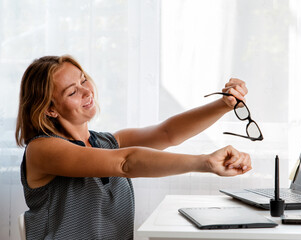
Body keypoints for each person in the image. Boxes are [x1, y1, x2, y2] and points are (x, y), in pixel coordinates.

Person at [15, 55, 252, 240]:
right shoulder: (42, 150)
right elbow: (125, 163)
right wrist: (204, 162)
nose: (87, 92)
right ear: (50, 109)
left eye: (83, 79)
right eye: (73, 91)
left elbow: (167, 133)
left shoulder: (107, 143)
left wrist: (223, 105)